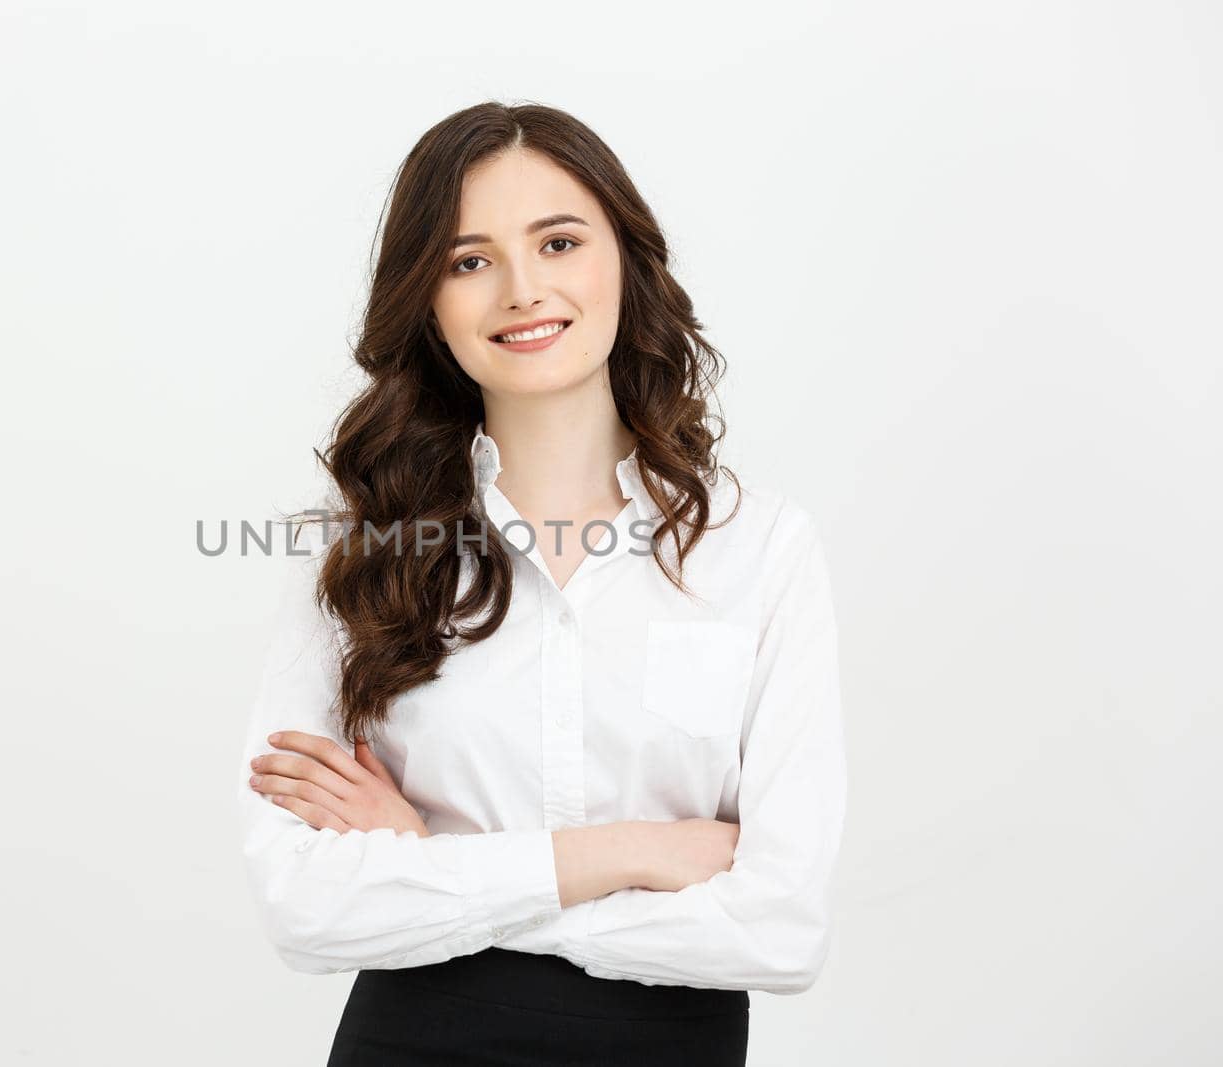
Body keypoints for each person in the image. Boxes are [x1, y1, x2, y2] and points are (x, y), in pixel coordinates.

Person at [235, 100, 846, 1066]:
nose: (522, 289)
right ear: (428, 302)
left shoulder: (758, 548)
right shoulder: (358, 548)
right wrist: (626, 854)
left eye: (558, 242)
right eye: (469, 261)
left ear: (624, 260)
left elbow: (781, 928)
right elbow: (306, 909)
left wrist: (431, 872)